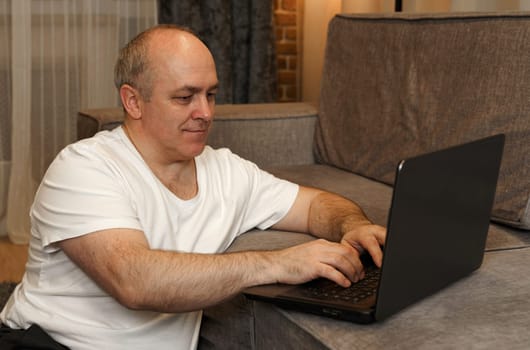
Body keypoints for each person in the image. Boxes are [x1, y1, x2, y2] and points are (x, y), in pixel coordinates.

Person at [0, 24, 386, 349]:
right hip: (50, 342)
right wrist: (279, 262)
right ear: (133, 101)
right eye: (184, 97)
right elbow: (134, 281)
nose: (205, 113)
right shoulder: (83, 167)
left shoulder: (228, 172)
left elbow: (316, 205)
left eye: (211, 94)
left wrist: (351, 225)